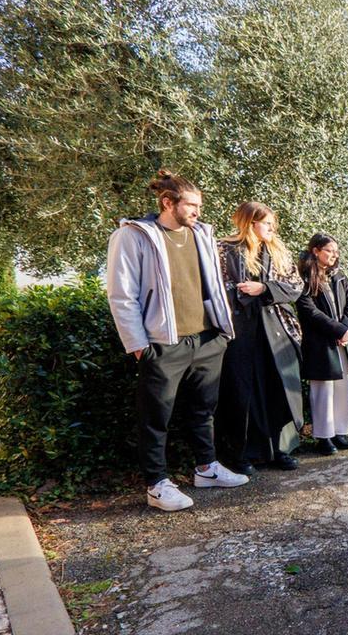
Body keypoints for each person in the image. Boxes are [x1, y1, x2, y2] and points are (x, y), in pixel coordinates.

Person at [105, 170, 246, 512]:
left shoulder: (200, 234)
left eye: (199, 205)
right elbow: (121, 295)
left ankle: (206, 469)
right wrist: (139, 345)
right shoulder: (134, 236)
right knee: (156, 417)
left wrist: (222, 333)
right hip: (163, 342)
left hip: (207, 338)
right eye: (192, 205)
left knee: (204, 409)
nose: (198, 211)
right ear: (168, 203)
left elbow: (212, 284)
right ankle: (156, 485)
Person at [217, 202, 305, 472]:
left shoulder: (278, 250)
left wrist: (264, 288)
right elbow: (216, 286)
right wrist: (244, 292)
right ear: (249, 222)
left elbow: (296, 286)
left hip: (276, 328)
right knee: (243, 391)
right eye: (266, 222)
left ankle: (281, 450)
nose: (271, 228)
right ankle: (241, 454)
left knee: (277, 387)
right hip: (240, 330)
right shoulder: (225, 249)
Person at [296, 233, 348, 455]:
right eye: (329, 251)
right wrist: (338, 329)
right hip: (321, 341)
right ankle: (324, 436)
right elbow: (308, 310)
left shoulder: (338, 275)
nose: (334, 255)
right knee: (323, 389)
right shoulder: (305, 276)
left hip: (343, 339)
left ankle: (341, 432)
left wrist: (346, 327)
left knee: (344, 386)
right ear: (316, 251)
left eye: (335, 251)